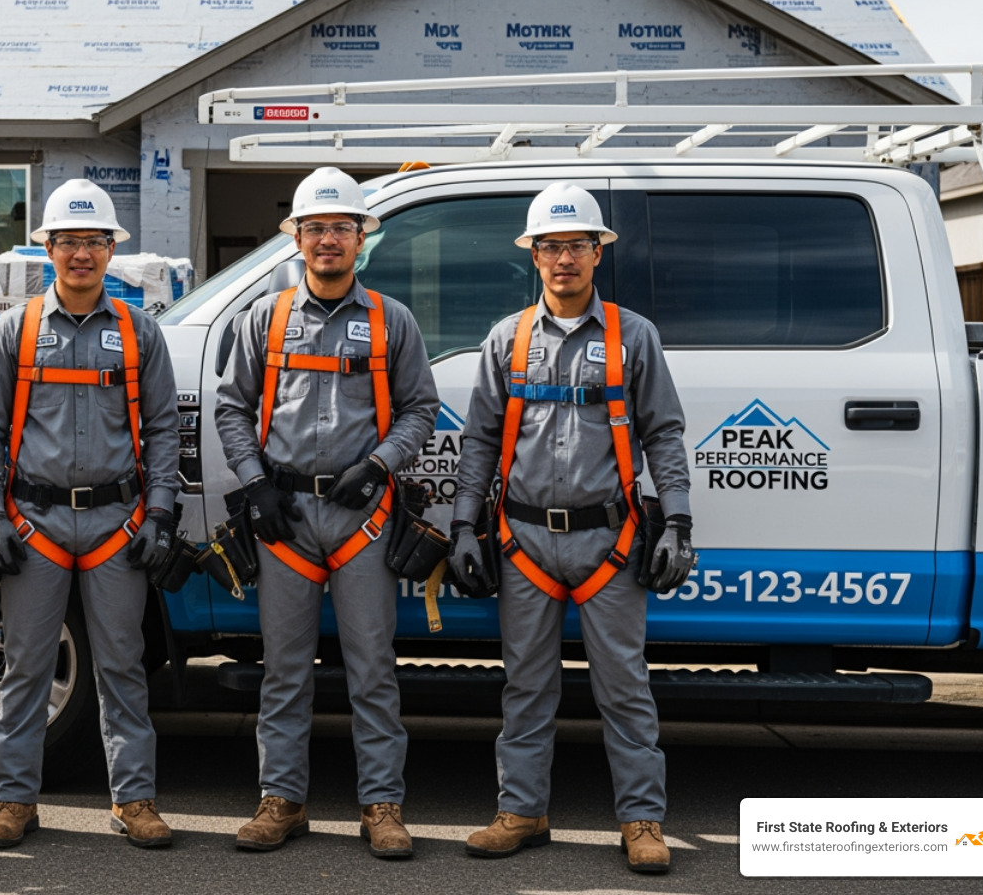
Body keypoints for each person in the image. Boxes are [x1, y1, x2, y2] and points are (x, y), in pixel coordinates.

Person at [448, 182, 696, 874]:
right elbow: (478, 441)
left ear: (596, 254)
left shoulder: (633, 336)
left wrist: (676, 519)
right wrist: (465, 525)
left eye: (577, 246)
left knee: (624, 685)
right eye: (551, 246)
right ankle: (521, 811)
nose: (564, 259)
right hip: (523, 543)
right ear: (533, 257)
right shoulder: (508, 339)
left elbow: (665, 434)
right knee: (526, 685)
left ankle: (642, 821)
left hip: (608, 544)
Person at [216, 166, 440, 859]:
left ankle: (382, 806)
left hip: (361, 520)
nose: (328, 240)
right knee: (285, 670)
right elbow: (230, 406)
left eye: (341, 228)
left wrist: (377, 465)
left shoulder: (390, 320)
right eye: (315, 228)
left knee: (372, 667)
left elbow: (421, 410)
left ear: (361, 238)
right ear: (297, 239)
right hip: (283, 519)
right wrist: (256, 487)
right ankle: (281, 801)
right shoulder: (266, 317)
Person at [0, 180, 181, 851]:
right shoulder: (17, 330)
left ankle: (134, 799)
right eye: (68, 241)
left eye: (94, 241)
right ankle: (13, 802)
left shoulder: (139, 332)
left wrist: (163, 514)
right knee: (27, 665)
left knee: (122, 663)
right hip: (36, 523)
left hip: (117, 522)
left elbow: (166, 432)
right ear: (47, 249)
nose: (81, 254)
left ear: (111, 248)